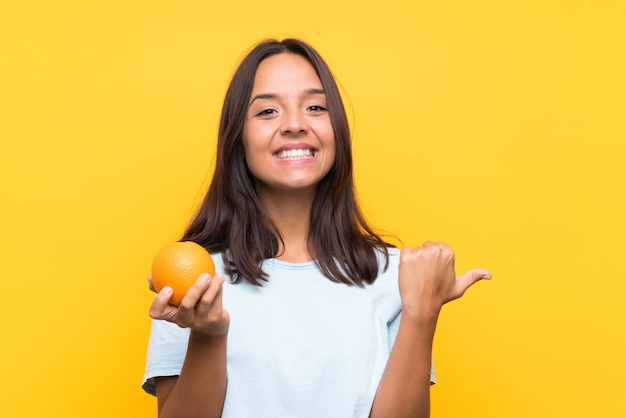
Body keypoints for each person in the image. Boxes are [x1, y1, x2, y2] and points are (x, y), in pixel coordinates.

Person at [142, 38, 491, 418]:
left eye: (314, 107)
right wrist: (208, 334)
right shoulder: (195, 281)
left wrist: (422, 313)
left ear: (337, 130)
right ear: (237, 139)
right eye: (268, 111)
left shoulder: (396, 276)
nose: (295, 125)